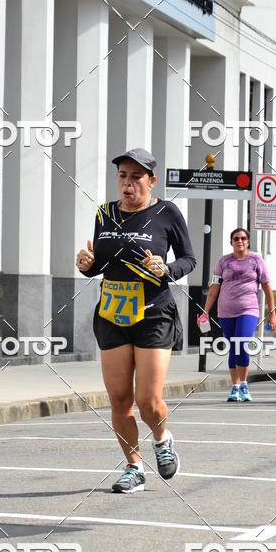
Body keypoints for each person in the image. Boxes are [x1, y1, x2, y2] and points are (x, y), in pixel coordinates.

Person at [76, 148, 196, 493]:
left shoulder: (166, 213)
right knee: (118, 401)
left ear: (151, 181)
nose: (127, 185)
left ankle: (161, 438)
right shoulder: (105, 213)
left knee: (148, 400)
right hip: (112, 312)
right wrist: (86, 264)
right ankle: (134, 467)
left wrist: (167, 269)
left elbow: (189, 259)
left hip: (153, 312)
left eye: (135, 178)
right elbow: (100, 263)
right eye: (122, 177)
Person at [197, 228, 276, 402]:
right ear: (231, 242)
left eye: (243, 238)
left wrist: (272, 313)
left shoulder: (256, 260)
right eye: (236, 238)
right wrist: (205, 311)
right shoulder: (223, 261)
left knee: (241, 343)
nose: (239, 241)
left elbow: (267, 288)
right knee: (233, 347)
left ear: (248, 241)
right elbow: (214, 288)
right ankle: (235, 386)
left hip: (248, 309)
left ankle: (244, 384)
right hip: (225, 310)